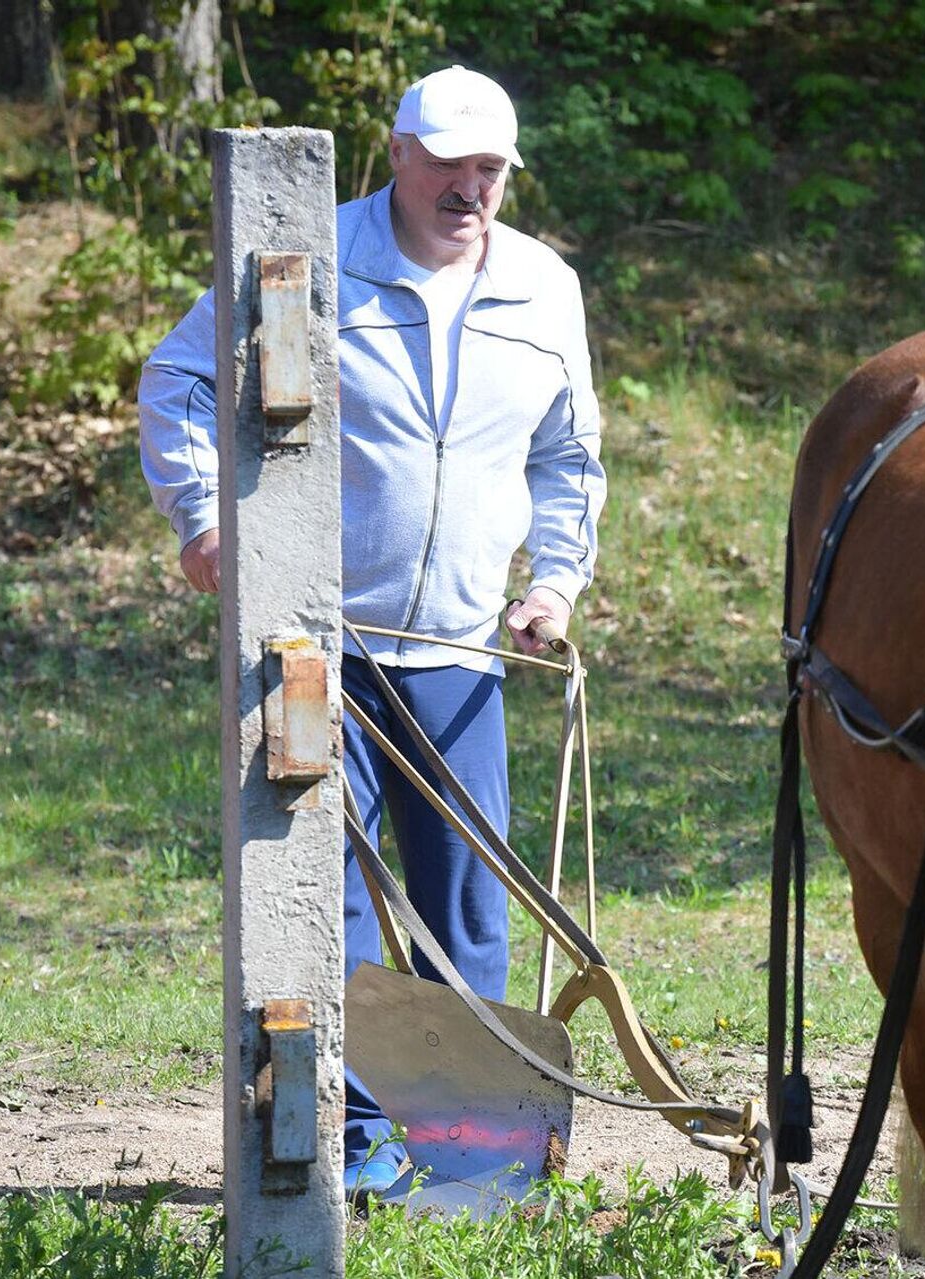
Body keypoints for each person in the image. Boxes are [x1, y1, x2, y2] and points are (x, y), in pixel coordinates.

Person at [138, 65, 606, 1195]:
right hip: (319, 650)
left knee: (466, 913)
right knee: (327, 912)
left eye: (489, 167)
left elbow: (566, 454)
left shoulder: (544, 287)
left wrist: (556, 581)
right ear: (395, 153)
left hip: (460, 656)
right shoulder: (309, 256)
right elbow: (178, 378)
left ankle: (477, 1165)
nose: (468, 186)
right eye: (446, 161)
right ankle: (349, 1150)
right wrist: (204, 522)